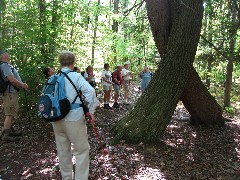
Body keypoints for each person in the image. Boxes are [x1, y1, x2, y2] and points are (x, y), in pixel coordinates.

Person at [52, 50, 98, 180]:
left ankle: (66, 178)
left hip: (56, 119)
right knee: (81, 151)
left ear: (60, 62)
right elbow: (90, 92)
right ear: (73, 62)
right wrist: (91, 111)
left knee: (63, 151)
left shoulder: (54, 77)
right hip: (74, 118)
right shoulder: (76, 76)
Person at [0, 50, 28, 142]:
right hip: (10, 93)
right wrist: (22, 85)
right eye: (6, 53)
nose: (8, 54)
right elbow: (11, 80)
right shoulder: (5, 66)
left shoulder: (7, 65)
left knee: (11, 112)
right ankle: (6, 135)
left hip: (11, 92)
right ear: (3, 57)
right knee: (10, 113)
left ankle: (8, 130)